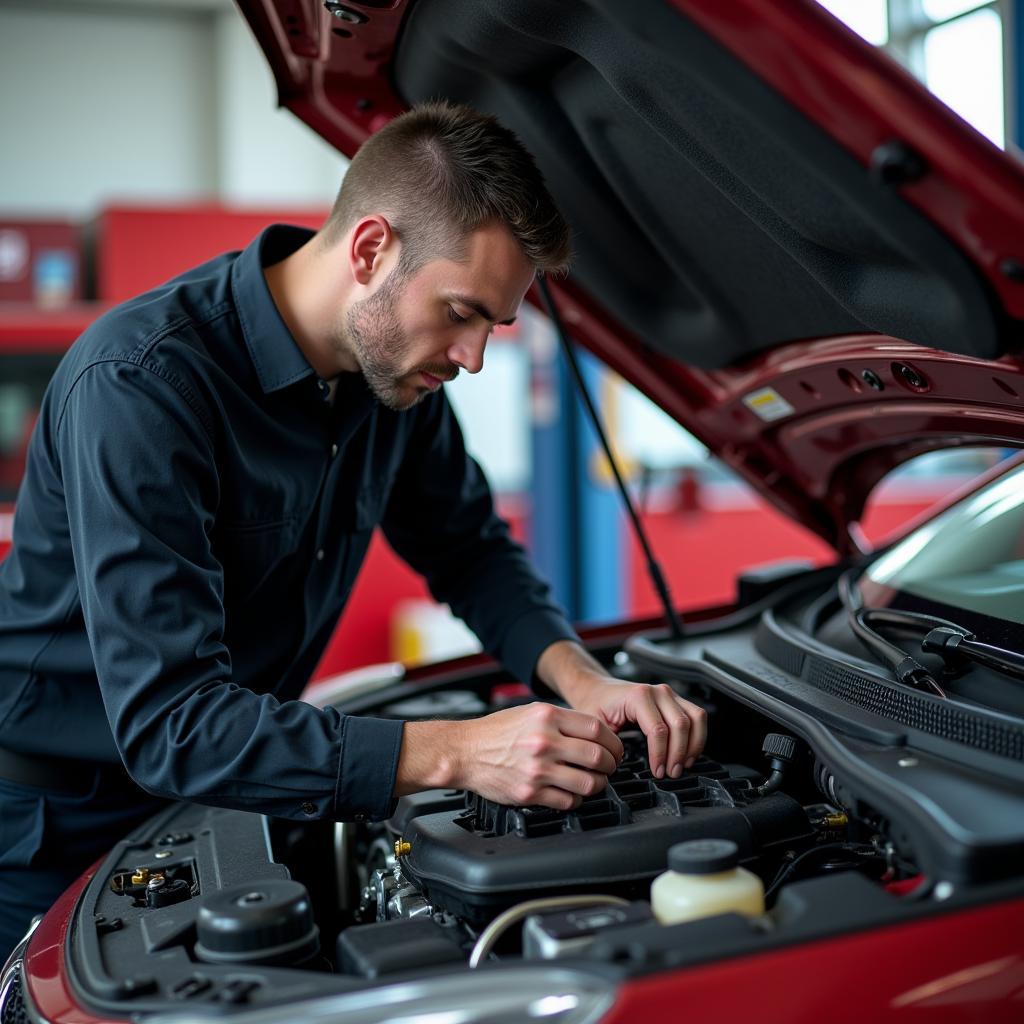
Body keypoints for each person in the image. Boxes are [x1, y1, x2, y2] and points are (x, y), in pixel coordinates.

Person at [0, 101, 706, 956]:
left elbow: (471, 550)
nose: (475, 357)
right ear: (371, 249)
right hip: (46, 834)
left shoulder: (394, 382)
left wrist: (581, 680)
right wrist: (455, 752)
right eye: (461, 311)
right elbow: (173, 724)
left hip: (219, 797)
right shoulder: (143, 387)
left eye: (495, 323)